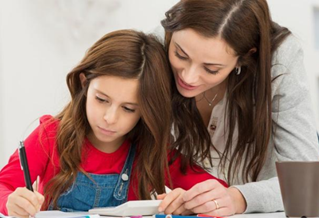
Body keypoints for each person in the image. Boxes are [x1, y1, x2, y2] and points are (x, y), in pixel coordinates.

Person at [0, 29, 227, 218]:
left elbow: (218, 192)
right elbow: (3, 186)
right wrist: (12, 202)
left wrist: (188, 202)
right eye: (101, 99)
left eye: (128, 108)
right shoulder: (49, 136)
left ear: (146, 111)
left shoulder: (153, 150)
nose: (109, 118)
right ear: (84, 84)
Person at [158, 0, 319, 216]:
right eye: (180, 55)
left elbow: (304, 183)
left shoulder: (279, 58)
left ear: (244, 57)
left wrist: (238, 198)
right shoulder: (155, 47)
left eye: (211, 68)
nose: (188, 77)